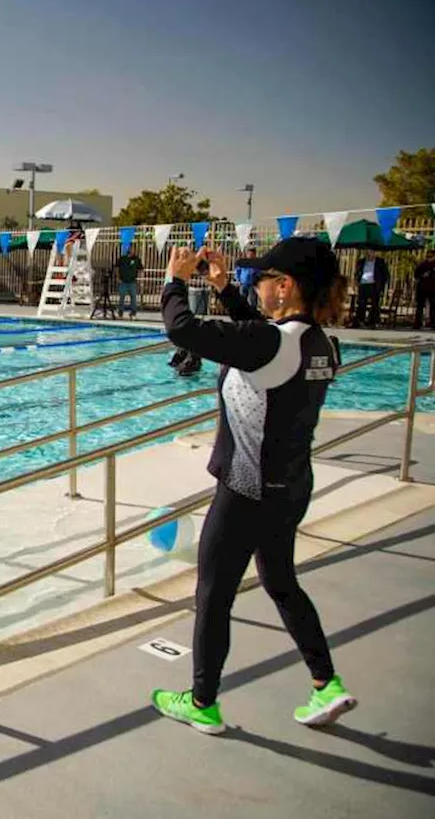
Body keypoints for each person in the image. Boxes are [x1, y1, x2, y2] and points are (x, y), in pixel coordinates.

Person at [151, 238, 354, 735]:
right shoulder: (319, 342)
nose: (254, 287)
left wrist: (175, 280)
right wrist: (222, 287)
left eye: (260, 280)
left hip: (246, 491)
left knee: (214, 596)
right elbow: (262, 340)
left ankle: (201, 702)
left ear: (284, 286)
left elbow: (183, 329)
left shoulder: (272, 345)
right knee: (280, 581)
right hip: (290, 487)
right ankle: (326, 682)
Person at [352, 249, 388, 329]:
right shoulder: (361, 262)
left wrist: (382, 285)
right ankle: (360, 321)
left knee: (375, 304)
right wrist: (357, 280)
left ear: (374, 253)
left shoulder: (380, 262)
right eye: (366, 252)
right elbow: (357, 272)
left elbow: (385, 275)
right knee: (361, 303)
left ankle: (373, 322)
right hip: (363, 284)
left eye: (370, 252)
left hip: (374, 284)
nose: (368, 254)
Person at [115, 247, 144, 319]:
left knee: (133, 298)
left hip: (132, 282)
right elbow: (116, 268)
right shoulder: (122, 258)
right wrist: (118, 277)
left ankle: (133, 313)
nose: (131, 250)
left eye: (132, 249)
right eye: (130, 249)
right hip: (123, 281)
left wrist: (138, 277)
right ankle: (120, 313)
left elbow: (141, 269)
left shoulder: (136, 259)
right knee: (122, 298)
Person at [412, 248, 436, 330]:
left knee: (433, 307)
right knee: (420, 307)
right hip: (422, 288)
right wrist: (422, 275)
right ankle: (417, 323)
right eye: (428, 256)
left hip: (433, 288)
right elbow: (416, 274)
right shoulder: (422, 264)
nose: (429, 258)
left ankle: (433, 324)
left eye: (431, 256)